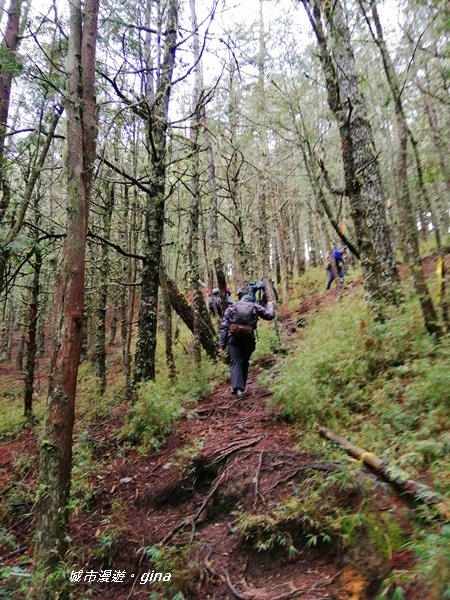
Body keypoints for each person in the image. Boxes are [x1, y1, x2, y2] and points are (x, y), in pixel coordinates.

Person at [219, 285, 275, 399]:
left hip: (233, 339)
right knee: (244, 361)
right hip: (248, 339)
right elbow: (269, 316)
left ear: (239, 296)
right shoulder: (254, 306)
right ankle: (241, 388)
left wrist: (222, 344)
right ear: (248, 295)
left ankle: (238, 390)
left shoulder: (232, 306)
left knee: (235, 361)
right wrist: (270, 306)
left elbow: (224, 326)